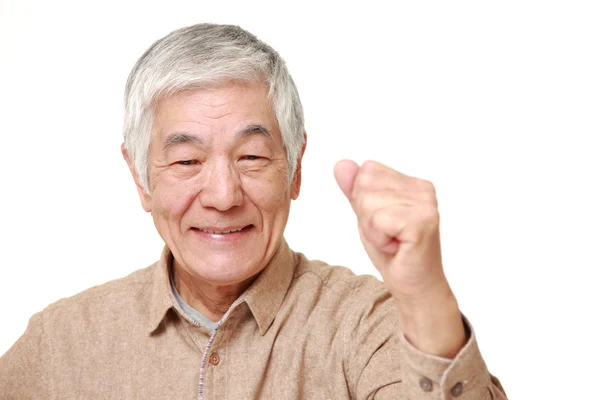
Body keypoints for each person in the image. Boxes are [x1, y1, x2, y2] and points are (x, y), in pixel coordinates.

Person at [0, 23, 507, 399]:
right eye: (186, 160)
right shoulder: (61, 342)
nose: (223, 195)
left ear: (296, 168)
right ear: (140, 177)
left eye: (251, 157)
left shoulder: (366, 324)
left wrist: (422, 290)